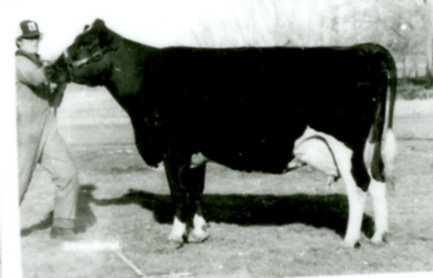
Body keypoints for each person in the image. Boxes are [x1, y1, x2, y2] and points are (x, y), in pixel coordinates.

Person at [16, 20, 79, 240]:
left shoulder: (38, 63)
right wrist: (57, 67)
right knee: (17, 185)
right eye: (29, 38)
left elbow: (52, 101)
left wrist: (63, 83)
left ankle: (62, 225)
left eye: (36, 38)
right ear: (20, 41)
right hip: (23, 131)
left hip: (46, 128)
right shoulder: (18, 62)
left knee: (67, 172)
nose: (34, 42)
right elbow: (37, 77)